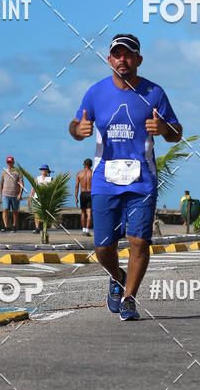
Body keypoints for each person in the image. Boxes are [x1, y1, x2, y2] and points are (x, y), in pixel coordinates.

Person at [69, 33, 182, 321]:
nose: (123, 60)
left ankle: (130, 298)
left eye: (128, 55)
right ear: (109, 60)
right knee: (103, 247)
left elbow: (177, 132)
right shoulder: (96, 93)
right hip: (105, 178)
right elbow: (76, 122)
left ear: (138, 60)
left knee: (139, 242)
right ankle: (117, 275)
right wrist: (77, 129)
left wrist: (164, 128)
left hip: (142, 179)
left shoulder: (154, 93)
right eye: (117, 55)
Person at [0, 156, 24, 233]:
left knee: (15, 211)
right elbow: (1, 184)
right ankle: (6, 226)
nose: (9, 164)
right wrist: (1, 195)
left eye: (10, 162)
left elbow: (21, 184)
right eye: (8, 162)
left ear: (13, 162)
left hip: (15, 195)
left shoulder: (18, 172)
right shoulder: (3, 172)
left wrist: (20, 194)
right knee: (5, 209)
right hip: (5, 194)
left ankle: (14, 225)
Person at [30, 165, 53, 234]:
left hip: (45, 198)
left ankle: (44, 227)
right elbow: (33, 188)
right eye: (42, 169)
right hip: (37, 197)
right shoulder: (37, 178)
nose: (43, 170)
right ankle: (37, 227)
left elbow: (52, 188)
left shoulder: (50, 179)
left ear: (47, 170)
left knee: (45, 213)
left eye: (45, 169)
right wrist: (30, 196)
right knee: (37, 213)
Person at [75, 159, 93, 235]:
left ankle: (83, 229)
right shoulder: (93, 173)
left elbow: (76, 187)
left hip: (83, 194)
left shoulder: (79, 174)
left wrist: (76, 198)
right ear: (91, 165)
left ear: (84, 165)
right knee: (89, 213)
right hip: (91, 193)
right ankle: (87, 231)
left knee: (83, 212)